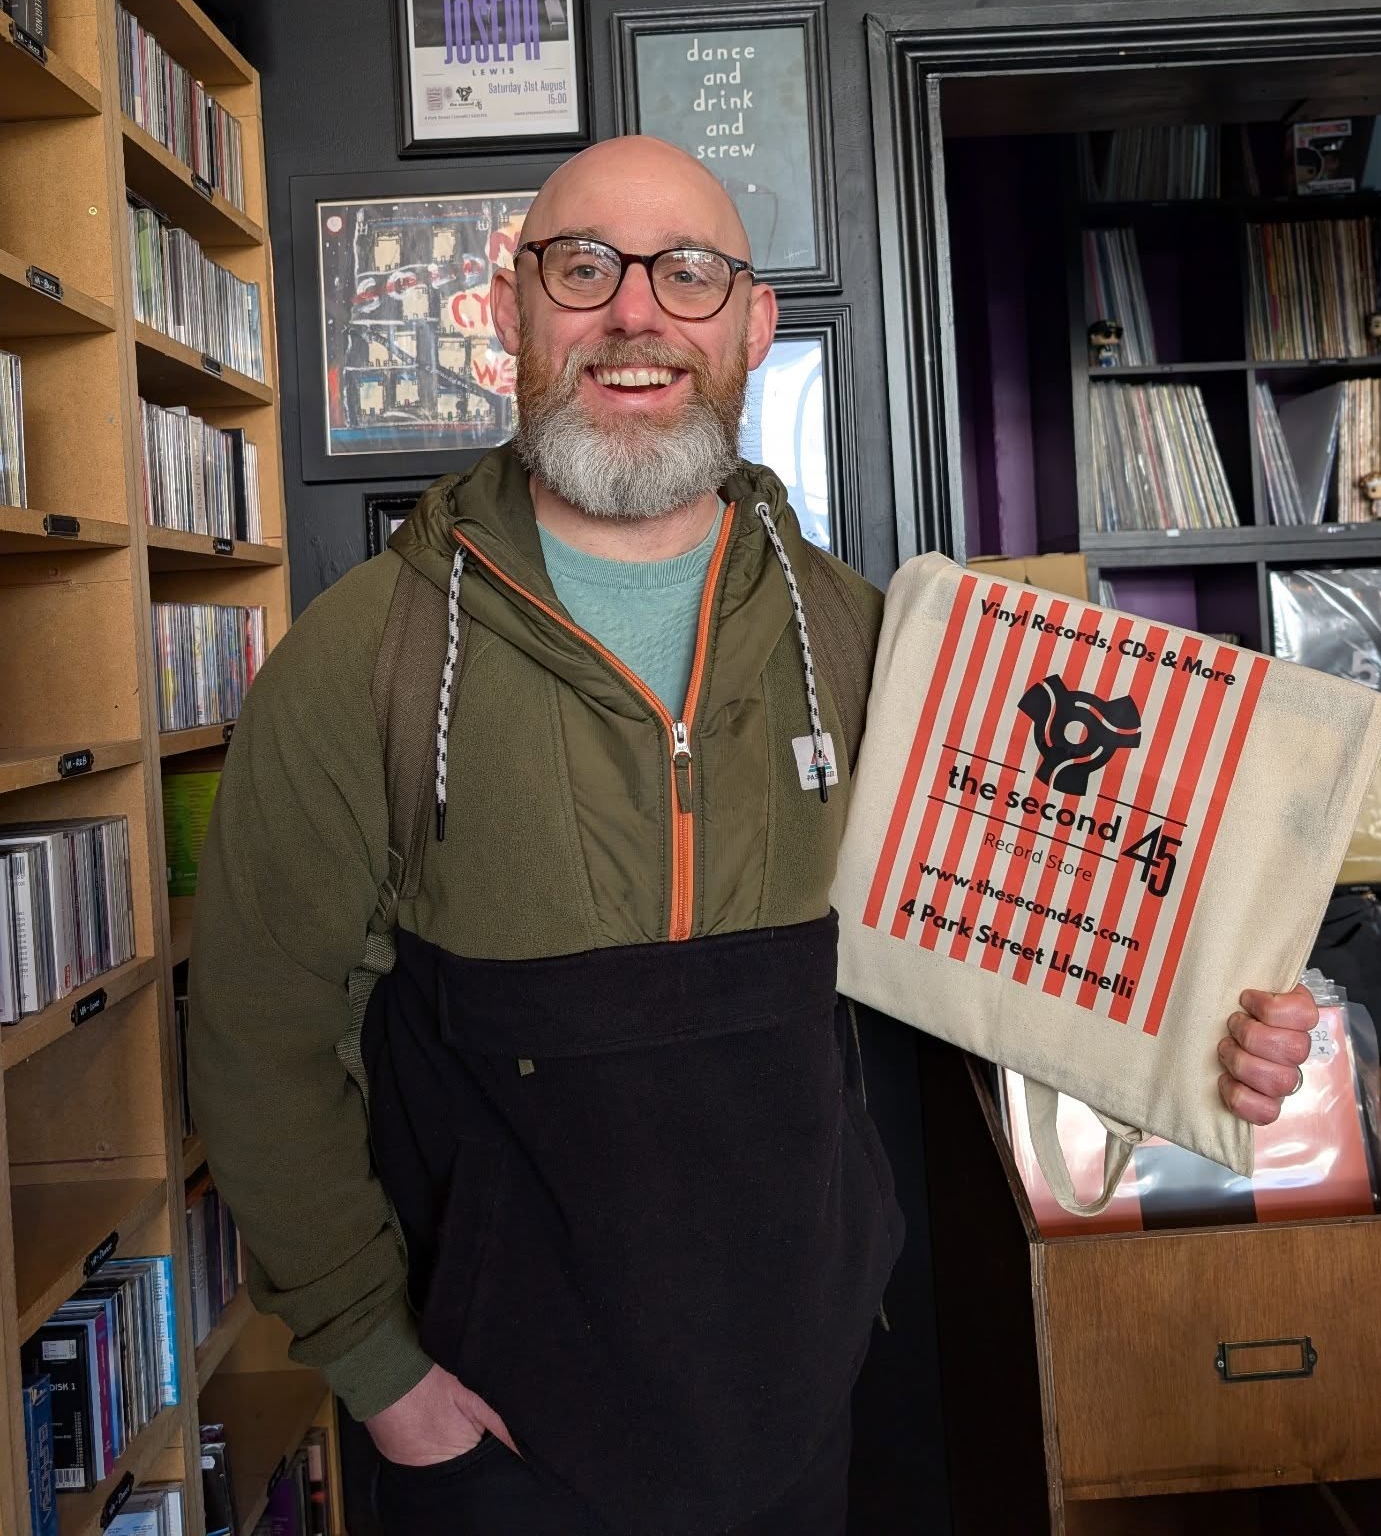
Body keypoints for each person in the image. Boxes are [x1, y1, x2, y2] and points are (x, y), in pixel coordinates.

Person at [189, 136, 1317, 1536]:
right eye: (583, 268)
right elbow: (256, 1036)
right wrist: (381, 1371)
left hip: (799, 1410)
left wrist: (1210, 1034)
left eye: (690, 273)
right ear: (508, 307)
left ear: (752, 322)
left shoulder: (873, 640)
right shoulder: (361, 658)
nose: (635, 313)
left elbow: (1038, 934)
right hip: (486, 1433)